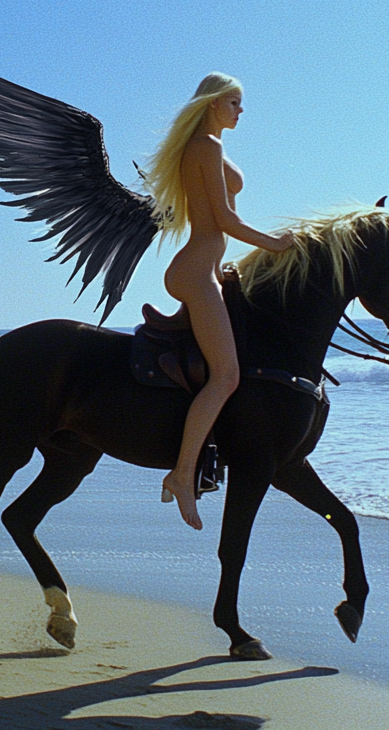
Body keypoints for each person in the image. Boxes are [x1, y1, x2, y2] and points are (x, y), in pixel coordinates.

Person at [146, 73, 295, 530]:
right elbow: (226, 220)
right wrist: (275, 245)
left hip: (205, 268)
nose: (240, 110)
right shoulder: (207, 148)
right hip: (194, 271)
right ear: (213, 104)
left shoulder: (206, 145)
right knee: (226, 375)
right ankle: (183, 473)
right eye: (234, 102)